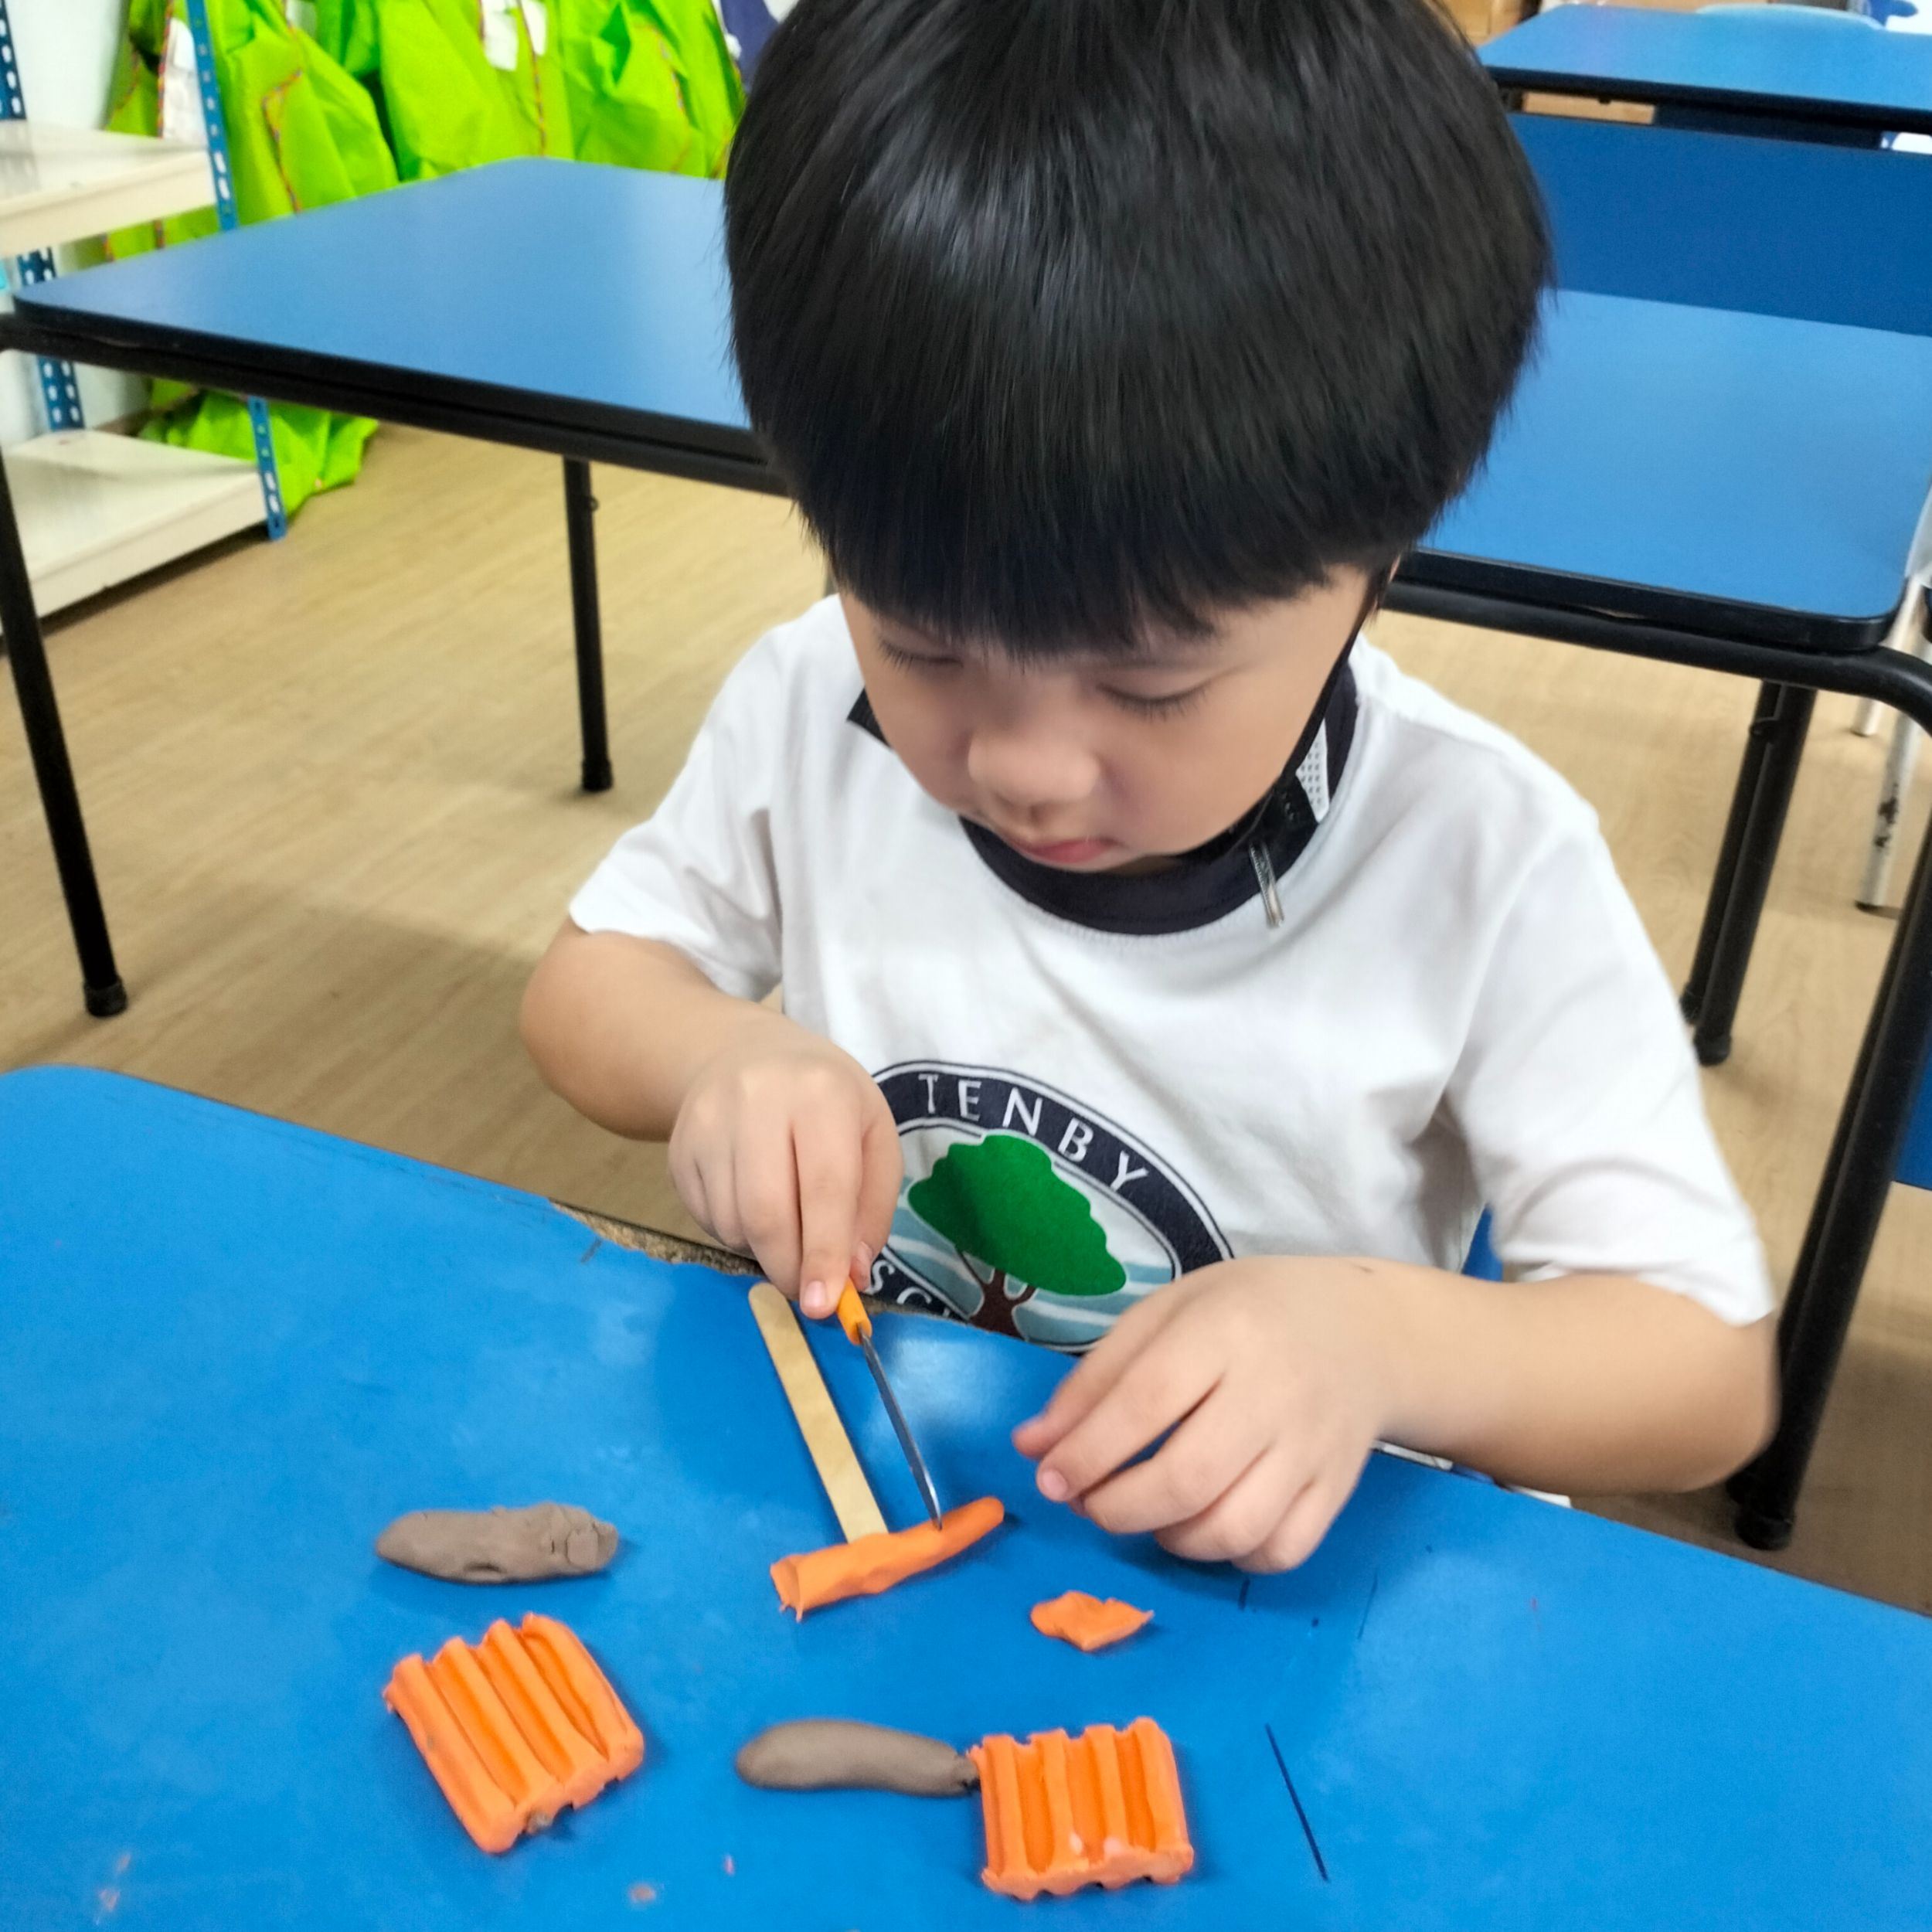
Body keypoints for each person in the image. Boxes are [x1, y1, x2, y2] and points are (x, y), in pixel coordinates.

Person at [522, 0, 1776, 1573]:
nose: (1021, 764)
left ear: (1378, 559)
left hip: (1281, 1588)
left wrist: (1377, 1345)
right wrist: (722, 1053)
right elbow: (586, 987)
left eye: (1152, 685)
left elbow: (1701, 1369)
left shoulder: (1479, 855)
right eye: (923, 642)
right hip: (921, 1514)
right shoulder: (809, 700)